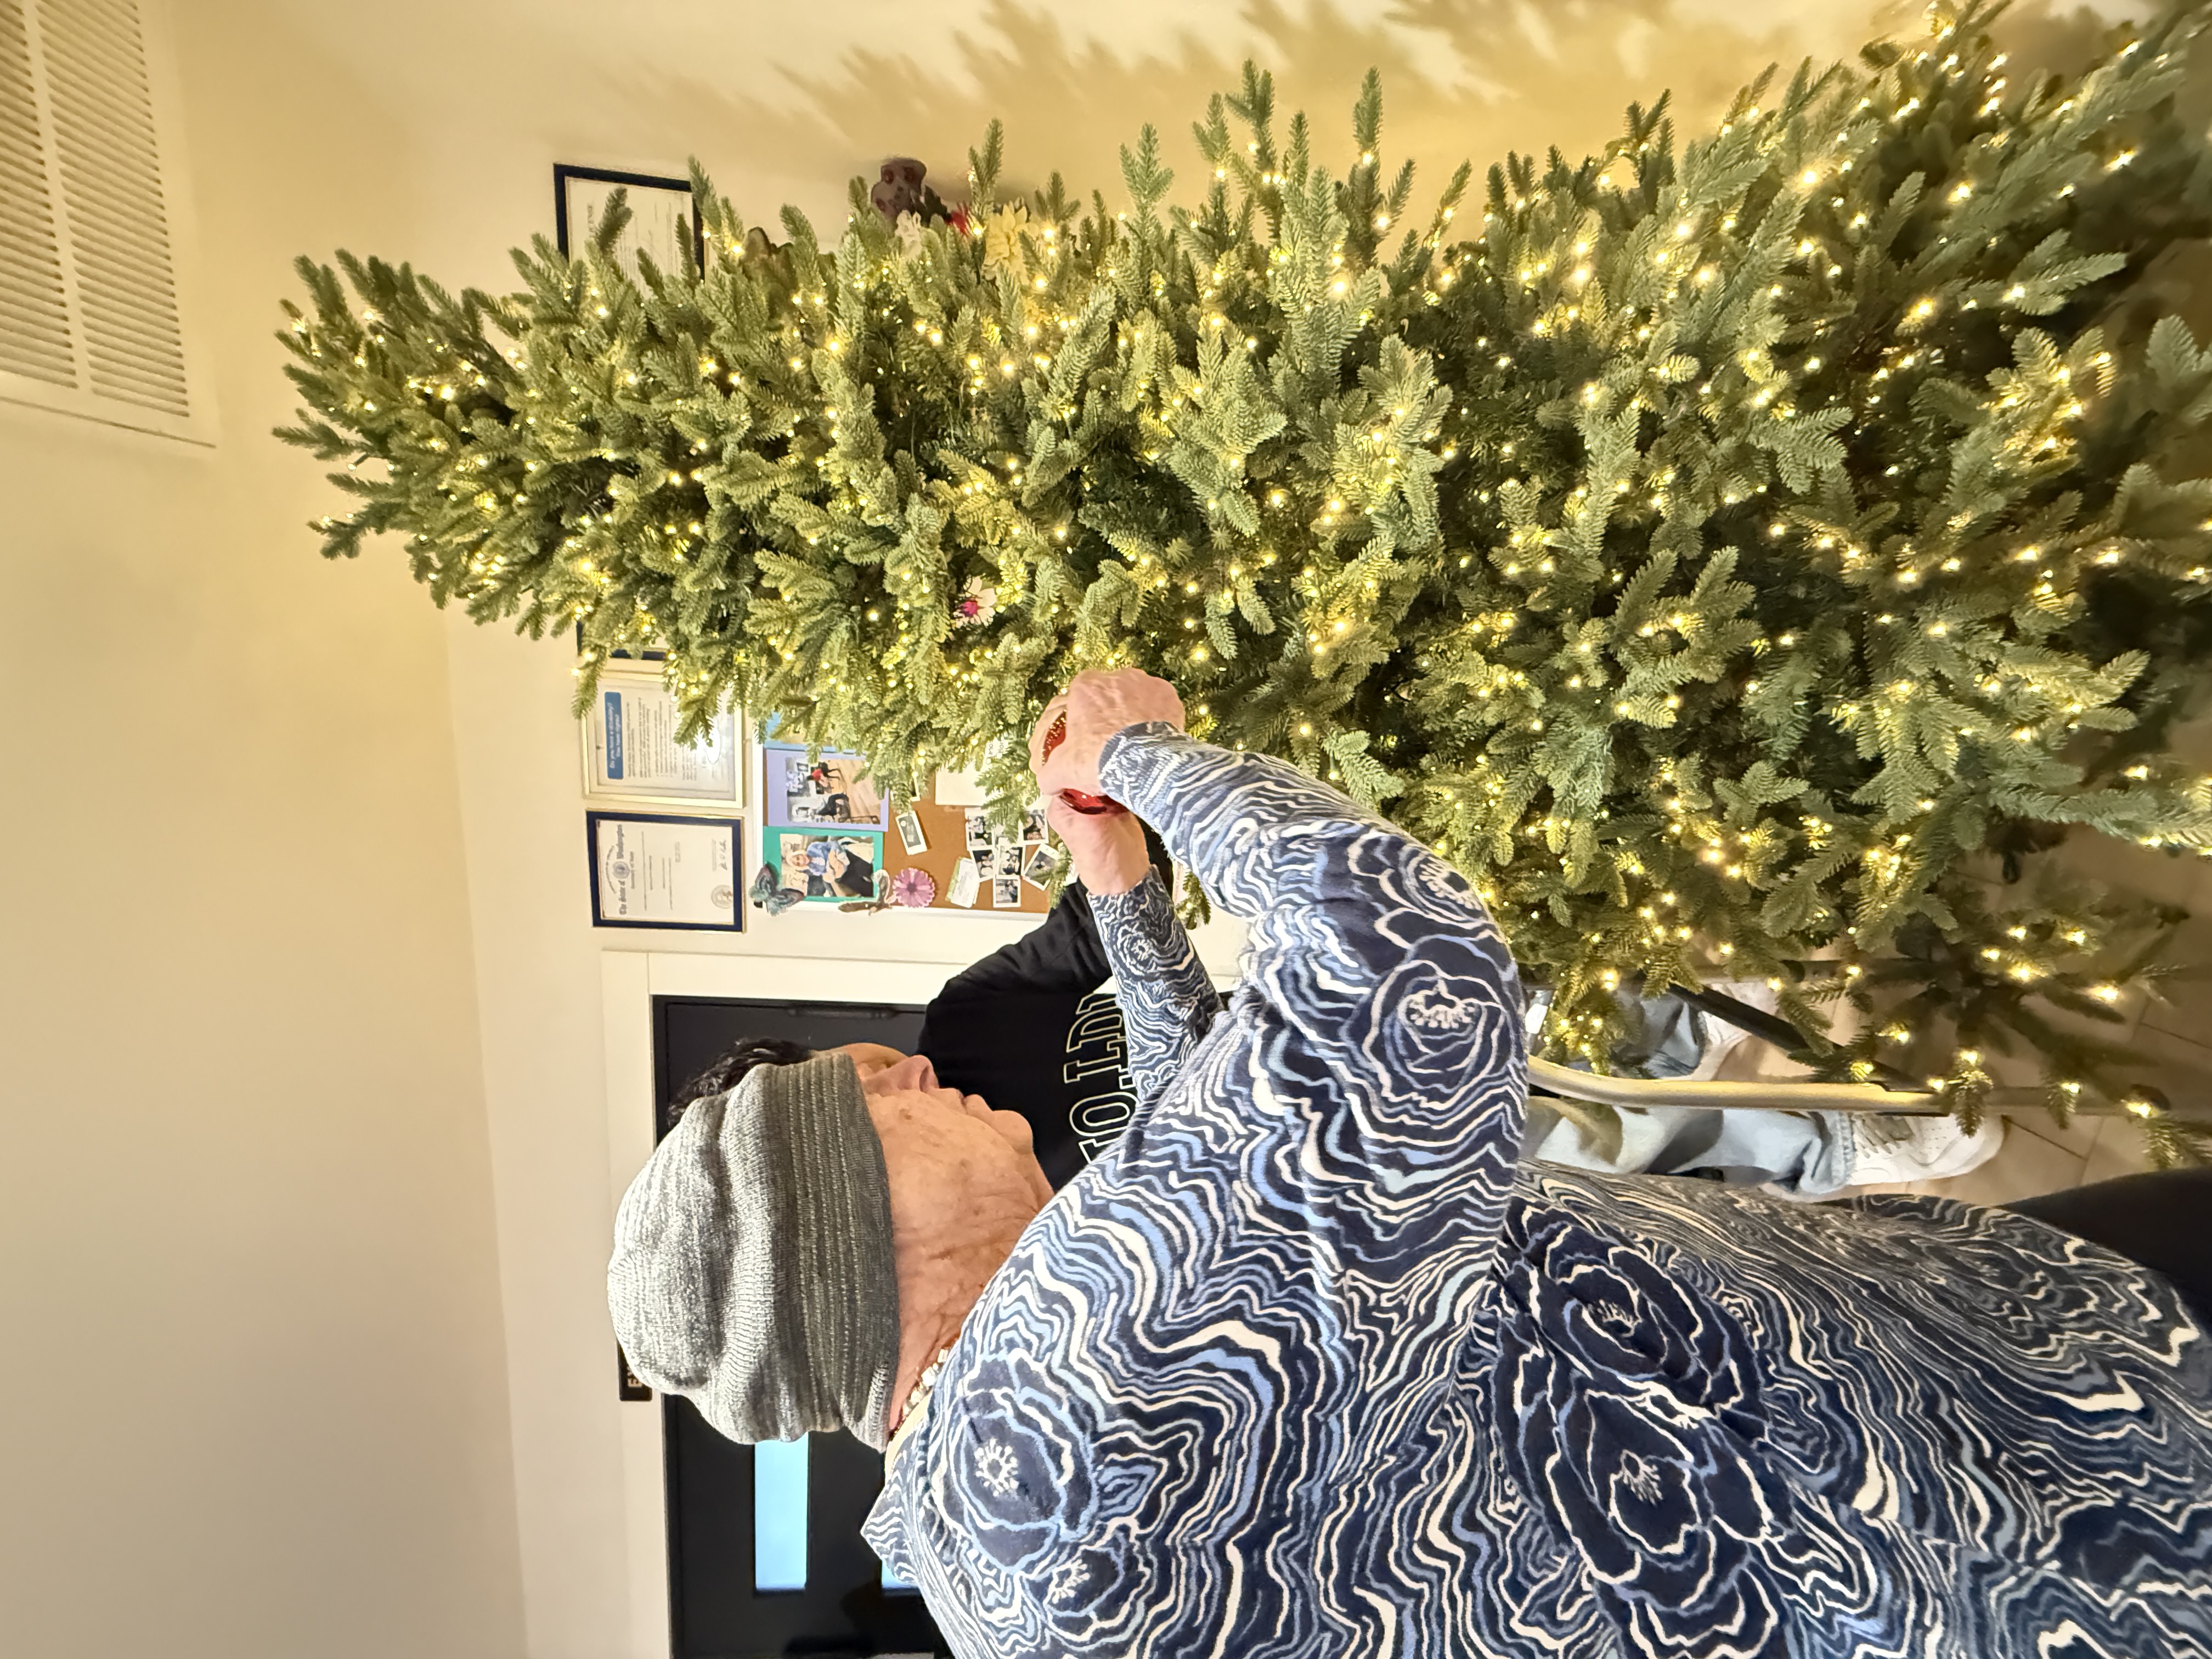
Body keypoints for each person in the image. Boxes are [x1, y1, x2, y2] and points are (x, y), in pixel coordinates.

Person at [611, 670, 2212, 1658]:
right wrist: (1155, 758)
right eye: (904, 1107)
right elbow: (1410, 966)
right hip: (2025, 1466)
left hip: (1922, 1457)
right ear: (851, 1231)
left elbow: (1210, 1196)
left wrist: (1128, 899)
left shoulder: (994, 1529)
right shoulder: (1071, 1377)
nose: (981, 1104)